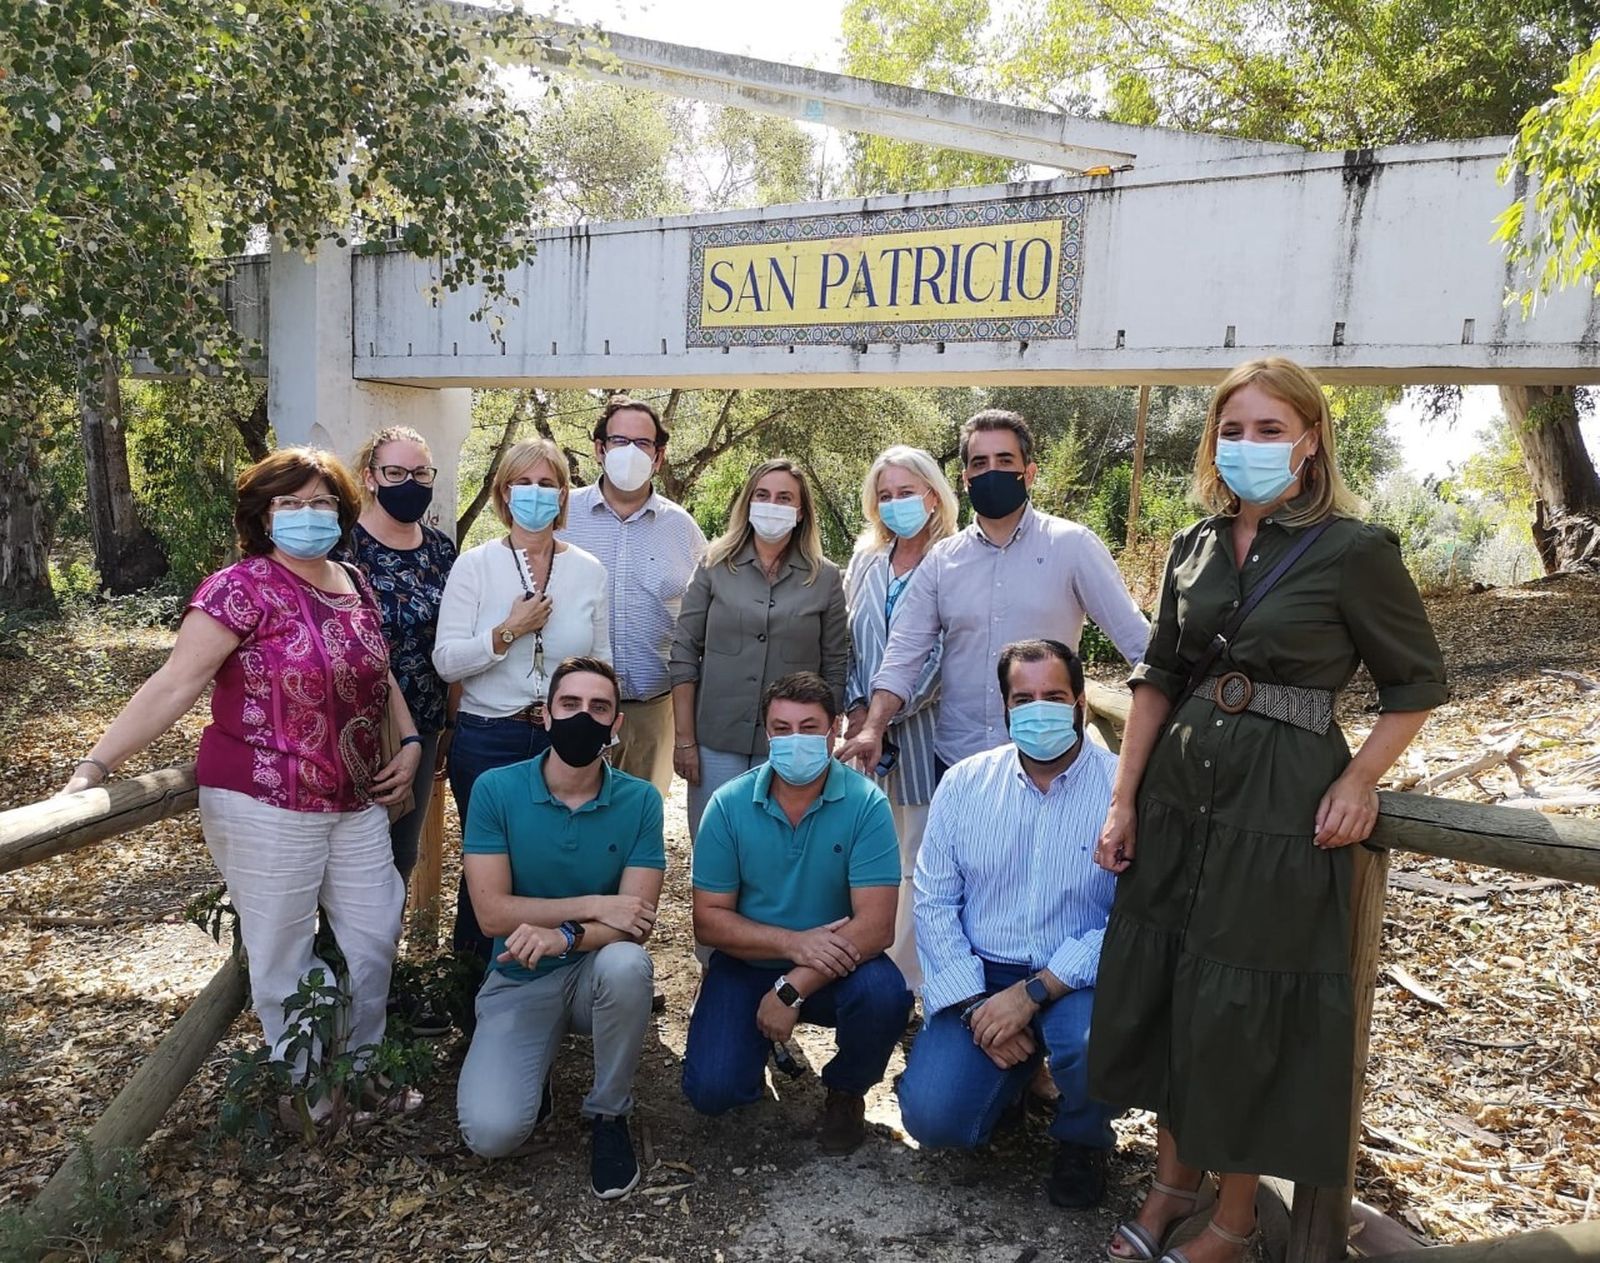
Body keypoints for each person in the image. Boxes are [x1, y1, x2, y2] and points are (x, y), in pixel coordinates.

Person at [1088, 358, 1447, 1263]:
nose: (1248, 445)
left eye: (1270, 428)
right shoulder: (1193, 544)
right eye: (1233, 429)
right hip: (1180, 791)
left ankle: (1235, 1215)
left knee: (1240, 1003)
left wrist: (1360, 778)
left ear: (1312, 438)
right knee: (1177, 985)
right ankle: (1174, 1183)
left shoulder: (1355, 549)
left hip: (1281, 800)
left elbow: (1415, 684)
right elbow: (1158, 678)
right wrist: (1124, 798)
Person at [61, 448, 420, 1103]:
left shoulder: (353, 581)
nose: (308, 515)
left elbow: (379, 670)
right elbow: (175, 683)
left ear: (341, 512)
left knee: (374, 936)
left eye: (321, 503)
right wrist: (97, 763)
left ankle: (360, 1070)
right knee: (285, 959)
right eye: (291, 503)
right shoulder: (240, 587)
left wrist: (414, 738)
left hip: (356, 797)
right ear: (263, 514)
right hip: (266, 800)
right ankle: (313, 1093)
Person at [896, 639, 1118, 1209]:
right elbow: (935, 900)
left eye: (1054, 695)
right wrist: (974, 1008)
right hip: (984, 974)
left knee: (1090, 1043)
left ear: (1081, 704)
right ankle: (1012, 1081)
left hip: (1078, 979)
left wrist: (1038, 990)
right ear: (1004, 708)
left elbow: (1133, 918)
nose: (1038, 709)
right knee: (934, 1119)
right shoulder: (966, 784)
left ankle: (1083, 1138)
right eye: (1024, 698)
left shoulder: (1122, 793)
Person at [839, 409, 1149, 778]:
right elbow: (904, 654)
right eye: (980, 463)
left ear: (1029, 473)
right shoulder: (942, 560)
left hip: (1052, 764)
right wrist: (874, 726)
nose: (991, 473)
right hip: (959, 764)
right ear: (966, 479)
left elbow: (1138, 642)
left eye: (1005, 461)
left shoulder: (1072, 546)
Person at [455, 657, 664, 1200]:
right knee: (491, 1133)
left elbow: (635, 922)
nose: (583, 717)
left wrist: (564, 936)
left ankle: (609, 1113)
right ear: (545, 715)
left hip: (595, 972)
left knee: (628, 966)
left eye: (599, 708)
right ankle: (536, 1066)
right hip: (519, 976)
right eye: (569, 705)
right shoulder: (496, 790)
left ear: (616, 726)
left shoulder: (640, 800)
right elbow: (493, 914)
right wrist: (595, 903)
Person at [680, 672, 911, 1155]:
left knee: (886, 996)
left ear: (833, 733)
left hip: (837, 968)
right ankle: (753, 1041)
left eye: (809, 727)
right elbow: (708, 920)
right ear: (767, 733)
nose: (795, 740)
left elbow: (876, 926)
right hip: (748, 966)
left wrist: (792, 986)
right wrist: (793, 944)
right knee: (713, 1091)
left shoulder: (866, 803)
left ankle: (846, 1090)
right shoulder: (729, 804)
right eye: (781, 728)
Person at [434, 438, 610, 966]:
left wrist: (604, 733)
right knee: (488, 865)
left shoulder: (589, 570)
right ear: (503, 493)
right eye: (523, 483)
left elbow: (602, 662)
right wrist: (508, 632)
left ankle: (562, 968)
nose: (535, 493)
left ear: (562, 496)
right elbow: (446, 661)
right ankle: (474, 982)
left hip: (567, 737)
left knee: (555, 859)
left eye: (547, 483)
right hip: (491, 735)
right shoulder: (474, 566)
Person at [669, 459, 848, 840]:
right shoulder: (713, 565)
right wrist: (685, 740)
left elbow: (835, 664)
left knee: (780, 848)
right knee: (716, 846)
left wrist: (825, 738)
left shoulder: (826, 577)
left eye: (785, 498)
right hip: (716, 739)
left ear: (800, 513)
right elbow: (684, 652)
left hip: (792, 743)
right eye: (763, 495)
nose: (772, 504)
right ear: (748, 504)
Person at [842, 445, 959, 990]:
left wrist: (885, 716)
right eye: (884, 495)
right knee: (871, 853)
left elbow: (944, 654)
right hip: (864, 735)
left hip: (924, 734)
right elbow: (847, 643)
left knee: (918, 859)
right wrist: (858, 709)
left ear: (933, 496)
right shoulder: (866, 561)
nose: (894, 504)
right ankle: (866, 959)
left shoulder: (954, 558)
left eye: (905, 493)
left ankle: (907, 981)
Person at [557, 397, 706, 795]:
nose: (630, 452)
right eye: (619, 440)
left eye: (642, 444)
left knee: (638, 825)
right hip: (573, 708)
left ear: (659, 457)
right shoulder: (560, 517)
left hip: (651, 712)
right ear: (599, 448)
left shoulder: (682, 529)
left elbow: (702, 618)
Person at [335, 424, 458, 886]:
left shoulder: (441, 549)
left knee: (400, 854)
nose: (410, 483)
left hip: (424, 726)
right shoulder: (342, 547)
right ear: (370, 478)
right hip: (351, 722)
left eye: (421, 473)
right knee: (345, 852)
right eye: (395, 472)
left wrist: (450, 719)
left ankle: (380, 958)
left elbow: (453, 632)